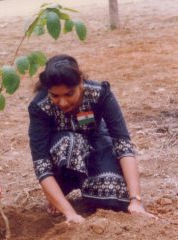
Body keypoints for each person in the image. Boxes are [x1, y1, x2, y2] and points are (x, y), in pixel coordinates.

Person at [28, 54, 156, 223]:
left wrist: (135, 201)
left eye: (69, 94)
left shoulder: (100, 94)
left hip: (95, 144)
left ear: (80, 82)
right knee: (69, 142)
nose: (63, 102)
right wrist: (70, 213)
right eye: (55, 96)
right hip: (62, 155)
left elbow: (123, 143)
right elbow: (41, 164)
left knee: (115, 198)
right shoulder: (39, 106)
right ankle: (59, 193)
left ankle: (87, 186)